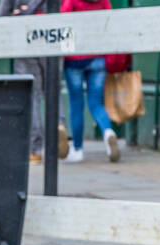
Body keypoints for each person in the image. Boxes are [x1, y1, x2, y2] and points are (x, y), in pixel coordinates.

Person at [61, 0, 119, 163]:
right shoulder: (103, 1)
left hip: (75, 59)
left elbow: (63, 24)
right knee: (96, 103)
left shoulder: (71, 1)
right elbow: (110, 22)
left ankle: (78, 149)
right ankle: (108, 132)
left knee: (76, 105)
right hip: (98, 56)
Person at [0, 0, 46, 164]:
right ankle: (59, 129)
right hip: (55, 35)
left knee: (33, 94)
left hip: (25, 40)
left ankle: (35, 149)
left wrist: (18, 13)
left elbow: (2, 15)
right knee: (52, 90)